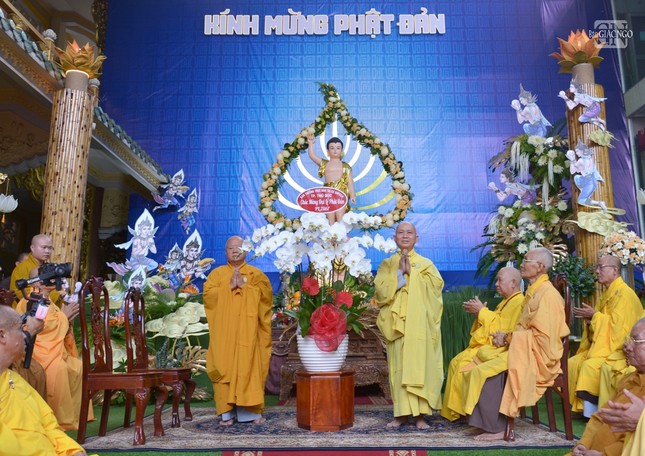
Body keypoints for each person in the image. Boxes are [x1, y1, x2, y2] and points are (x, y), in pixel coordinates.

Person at [469, 247, 569, 440]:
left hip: (540, 355)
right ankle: (488, 423)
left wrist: (509, 338)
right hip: (524, 347)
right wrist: (506, 337)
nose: (522, 264)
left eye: (526, 260)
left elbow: (544, 338)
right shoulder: (535, 291)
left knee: (489, 371)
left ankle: (498, 428)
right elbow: (525, 327)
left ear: (540, 267)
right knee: (482, 363)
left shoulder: (548, 295)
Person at [374, 221, 444, 429]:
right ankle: (401, 414)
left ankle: (421, 415)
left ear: (416, 238)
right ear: (395, 238)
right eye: (401, 232)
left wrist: (412, 273)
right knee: (399, 367)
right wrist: (399, 274)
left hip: (419, 324)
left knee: (420, 366)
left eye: (409, 233)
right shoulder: (387, 264)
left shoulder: (425, 264)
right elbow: (380, 292)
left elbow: (436, 289)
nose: (405, 236)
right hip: (397, 325)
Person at [203, 236, 273, 425]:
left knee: (249, 367)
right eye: (231, 248)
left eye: (239, 247)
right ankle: (227, 413)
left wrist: (246, 287)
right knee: (223, 367)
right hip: (224, 334)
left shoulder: (256, 275)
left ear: (246, 251)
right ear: (225, 251)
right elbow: (208, 297)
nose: (235, 251)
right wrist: (228, 287)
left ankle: (252, 413)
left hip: (249, 335)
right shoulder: (216, 275)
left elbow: (266, 298)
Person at [0, 305, 87, 456]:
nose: (25, 336)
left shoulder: (14, 380)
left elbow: (49, 425)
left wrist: (72, 450)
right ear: (2, 335)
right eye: (20, 330)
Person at [440, 267, 524, 422]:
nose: (496, 284)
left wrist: (482, 312)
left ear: (513, 283)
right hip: (490, 346)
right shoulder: (505, 302)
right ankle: (457, 411)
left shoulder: (519, 303)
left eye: (500, 280)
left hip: (501, 348)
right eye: (496, 280)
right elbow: (494, 324)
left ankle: (465, 412)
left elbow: (501, 330)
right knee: (455, 362)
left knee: (463, 365)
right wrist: (479, 313)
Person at [15, 267, 91, 430]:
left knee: (77, 365)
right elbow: (40, 328)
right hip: (38, 352)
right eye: (48, 277)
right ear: (36, 283)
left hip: (53, 349)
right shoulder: (30, 301)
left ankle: (77, 415)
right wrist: (64, 317)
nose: (52, 280)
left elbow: (53, 324)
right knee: (59, 368)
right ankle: (60, 418)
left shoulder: (49, 302)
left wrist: (65, 319)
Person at [568, 254, 642, 416]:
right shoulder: (608, 293)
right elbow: (604, 323)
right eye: (597, 267)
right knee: (573, 362)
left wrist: (595, 316)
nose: (597, 271)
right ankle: (584, 410)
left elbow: (619, 331)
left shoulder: (624, 295)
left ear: (615, 270)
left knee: (589, 366)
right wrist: (591, 321)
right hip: (604, 346)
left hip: (620, 350)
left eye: (601, 267)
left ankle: (592, 414)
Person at [570, 318, 645, 456]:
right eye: (629, 340)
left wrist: (604, 454)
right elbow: (601, 416)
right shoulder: (629, 379)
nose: (627, 347)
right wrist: (583, 444)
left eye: (635, 341)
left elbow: (637, 441)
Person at [307, 133, 356, 225]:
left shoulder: (346, 166)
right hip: (328, 194)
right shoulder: (324, 163)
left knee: (340, 216)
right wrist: (310, 143)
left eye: (338, 148)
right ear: (328, 151)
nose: (335, 150)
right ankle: (330, 233)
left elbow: (350, 182)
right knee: (330, 217)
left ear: (341, 151)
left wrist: (352, 195)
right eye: (332, 148)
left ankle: (341, 232)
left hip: (341, 194)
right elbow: (312, 155)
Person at [10, 234, 54, 304]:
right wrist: (52, 292)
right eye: (44, 247)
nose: (47, 251)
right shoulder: (23, 267)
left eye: (50, 248)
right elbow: (17, 292)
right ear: (32, 248)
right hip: (26, 308)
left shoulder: (48, 267)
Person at [566, 139, 607, 211]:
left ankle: (599, 203)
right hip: (590, 181)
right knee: (577, 177)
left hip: (589, 182)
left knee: (580, 200)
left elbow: (572, 171)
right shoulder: (588, 158)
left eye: (577, 151)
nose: (576, 153)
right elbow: (578, 170)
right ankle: (585, 193)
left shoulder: (581, 160)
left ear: (582, 151)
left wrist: (572, 160)